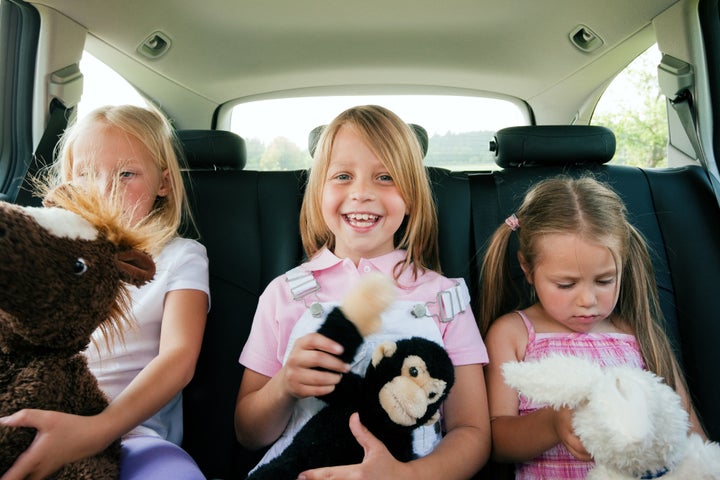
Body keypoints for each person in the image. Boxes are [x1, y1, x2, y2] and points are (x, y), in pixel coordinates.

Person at [234, 105, 490, 479]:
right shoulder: (284, 294)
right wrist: (284, 386)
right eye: (342, 176)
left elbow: (472, 432)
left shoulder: (444, 298)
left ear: (412, 197)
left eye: (385, 177)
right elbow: (248, 434)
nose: (362, 193)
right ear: (318, 191)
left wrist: (407, 476)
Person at [0, 105, 209, 480]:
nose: (104, 189)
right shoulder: (50, 250)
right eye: (86, 174)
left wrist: (100, 428)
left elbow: (178, 357)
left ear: (163, 183)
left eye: (127, 174)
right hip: (33, 413)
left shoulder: (181, 256)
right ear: (67, 182)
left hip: (130, 433)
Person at [478, 176, 706, 479]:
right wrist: (554, 424)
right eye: (566, 284)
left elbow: (686, 424)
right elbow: (498, 442)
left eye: (604, 281)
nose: (588, 300)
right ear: (527, 269)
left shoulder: (635, 331)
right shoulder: (514, 334)